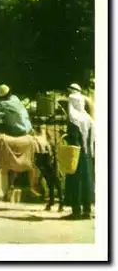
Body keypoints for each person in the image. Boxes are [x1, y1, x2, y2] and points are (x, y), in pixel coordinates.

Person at [61, 83, 95, 220]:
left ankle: (76, 211)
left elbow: (73, 139)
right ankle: (87, 211)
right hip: (86, 158)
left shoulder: (73, 119)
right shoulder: (89, 119)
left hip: (75, 157)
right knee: (87, 180)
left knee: (76, 182)